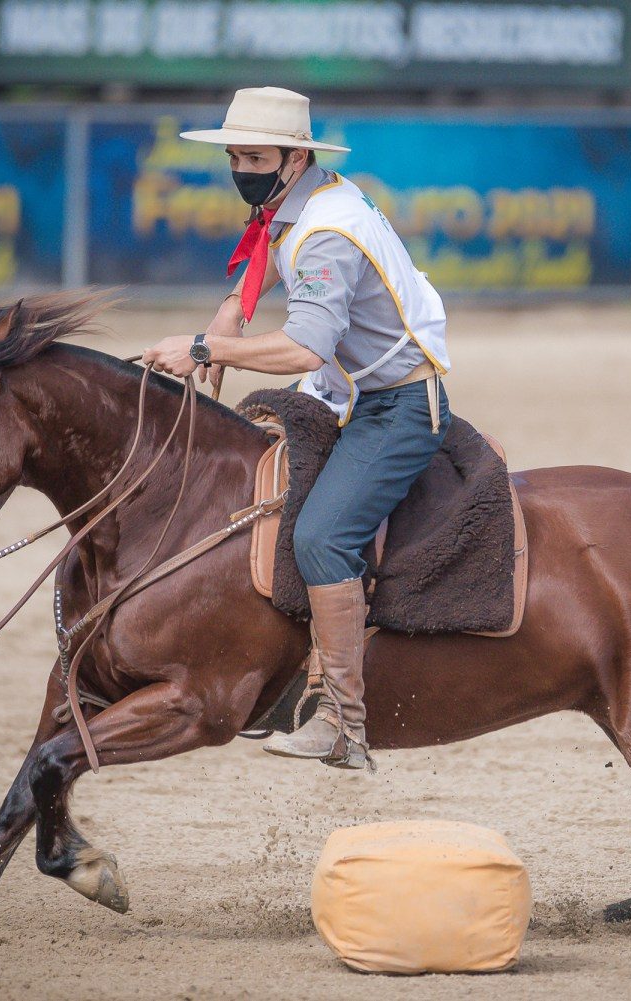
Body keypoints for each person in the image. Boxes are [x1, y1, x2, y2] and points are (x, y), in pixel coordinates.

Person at [143, 87, 452, 770]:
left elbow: (305, 348)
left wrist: (205, 348)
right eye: (235, 156)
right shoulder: (312, 200)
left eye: (255, 156)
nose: (242, 168)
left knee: (320, 536)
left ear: (295, 157)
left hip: (395, 407)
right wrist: (230, 310)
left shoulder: (324, 233)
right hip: (355, 394)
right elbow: (268, 243)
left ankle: (345, 724)